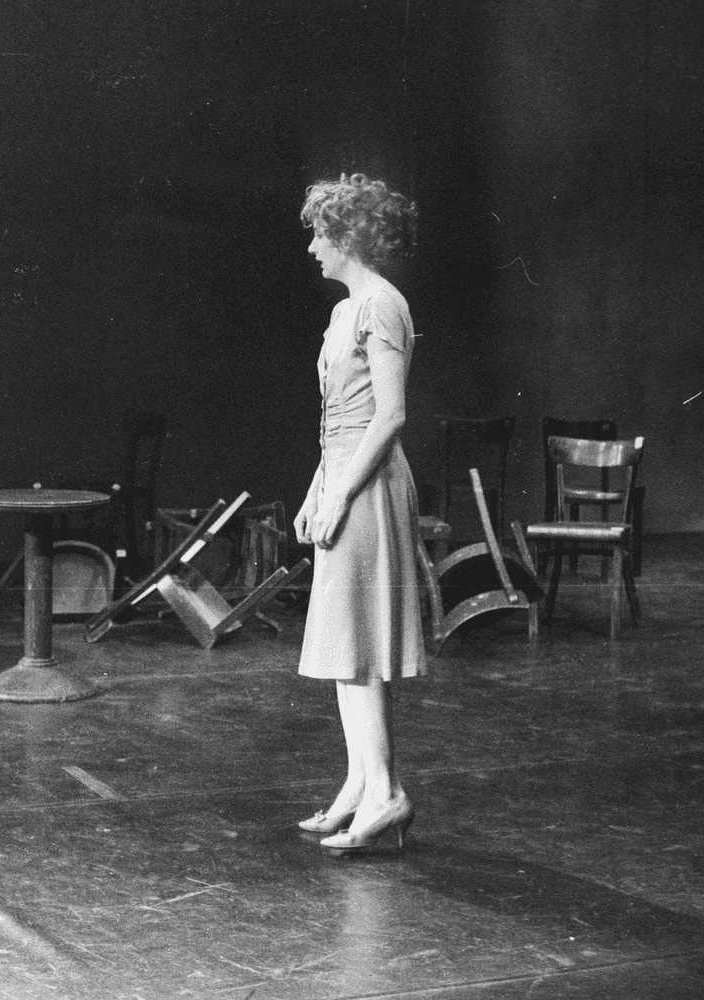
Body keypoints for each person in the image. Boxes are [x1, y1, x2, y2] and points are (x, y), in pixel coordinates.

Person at [293, 173, 426, 853]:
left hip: (370, 485)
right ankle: (362, 784)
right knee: (347, 644)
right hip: (344, 474)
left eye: (320, 232)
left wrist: (343, 491)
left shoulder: (381, 305)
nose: (313, 246)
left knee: (358, 644)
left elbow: (390, 414)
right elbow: (336, 418)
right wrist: (319, 485)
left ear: (348, 236)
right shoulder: (346, 310)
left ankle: (386, 794)